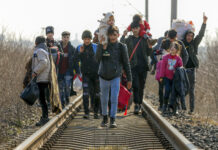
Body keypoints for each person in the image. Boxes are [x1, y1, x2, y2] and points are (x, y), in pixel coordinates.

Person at [96, 25, 132, 128]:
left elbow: (126, 63)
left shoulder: (122, 47)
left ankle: (113, 119)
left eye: (114, 35)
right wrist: (101, 46)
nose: (112, 37)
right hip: (103, 75)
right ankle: (104, 118)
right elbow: (97, 59)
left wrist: (129, 79)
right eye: (111, 35)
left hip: (115, 76)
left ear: (118, 35)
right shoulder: (104, 45)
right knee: (104, 98)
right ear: (108, 35)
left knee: (114, 98)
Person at [121, 21, 153, 115]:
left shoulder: (144, 39)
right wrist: (123, 35)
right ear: (131, 29)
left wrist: (150, 47)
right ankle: (136, 104)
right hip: (133, 66)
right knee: (135, 85)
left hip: (143, 66)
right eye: (133, 28)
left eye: (137, 28)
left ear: (140, 28)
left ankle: (139, 103)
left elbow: (148, 53)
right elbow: (121, 45)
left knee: (141, 86)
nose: (135, 30)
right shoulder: (129, 39)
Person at [182, 14, 207, 114]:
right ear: (185, 36)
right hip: (183, 69)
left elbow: (200, 35)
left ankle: (191, 110)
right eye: (188, 35)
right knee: (184, 89)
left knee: (191, 90)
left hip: (192, 69)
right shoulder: (181, 43)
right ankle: (181, 107)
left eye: (191, 36)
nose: (190, 37)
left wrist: (204, 23)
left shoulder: (194, 43)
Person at [74, 30, 100, 119]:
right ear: (83, 39)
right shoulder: (79, 47)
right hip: (86, 75)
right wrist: (80, 53)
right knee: (85, 94)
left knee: (97, 94)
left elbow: (101, 59)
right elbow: (75, 60)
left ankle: (96, 112)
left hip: (96, 75)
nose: (87, 41)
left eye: (88, 39)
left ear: (91, 39)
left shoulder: (96, 47)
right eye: (85, 39)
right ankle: (86, 112)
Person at [32, 36, 51, 126]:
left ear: (36, 43)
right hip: (44, 78)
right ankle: (45, 116)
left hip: (42, 78)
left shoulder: (40, 51)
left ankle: (45, 117)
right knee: (43, 99)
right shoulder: (44, 50)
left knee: (42, 99)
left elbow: (43, 62)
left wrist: (35, 71)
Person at [159, 42, 183, 113]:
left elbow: (181, 68)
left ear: (177, 50)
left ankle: (175, 108)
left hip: (175, 79)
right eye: (171, 46)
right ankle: (165, 106)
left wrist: (178, 71)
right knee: (167, 91)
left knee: (175, 93)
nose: (172, 48)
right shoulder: (165, 57)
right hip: (167, 78)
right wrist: (161, 77)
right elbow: (162, 68)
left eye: (174, 47)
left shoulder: (178, 59)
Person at [58, 31, 80, 108]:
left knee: (67, 86)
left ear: (69, 38)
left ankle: (67, 99)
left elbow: (75, 61)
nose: (66, 39)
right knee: (61, 88)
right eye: (64, 37)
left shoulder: (72, 49)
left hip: (68, 70)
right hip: (59, 71)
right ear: (62, 38)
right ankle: (62, 102)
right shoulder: (58, 47)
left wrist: (78, 71)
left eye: (67, 37)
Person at [155, 39, 171, 110]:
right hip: (166, 74)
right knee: (167, 89)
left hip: (159, 74)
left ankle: (161, 104)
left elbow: (157, 61)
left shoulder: (159, 53)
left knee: (161, 89)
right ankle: (166, 104)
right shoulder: (169, 54)